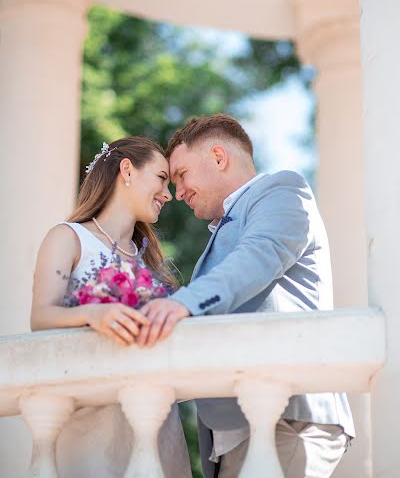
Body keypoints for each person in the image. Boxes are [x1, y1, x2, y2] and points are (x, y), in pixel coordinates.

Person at [137, 114, 355, 478]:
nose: (178, 192)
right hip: (241, 430)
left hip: (286, 419)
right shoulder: (227, 226)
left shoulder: (282, 189)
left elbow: (259, 255)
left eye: (181, 175)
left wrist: (181, 304)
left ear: (219, 157)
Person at [31, 136, 191, 478]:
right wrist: (92, 314)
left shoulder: (151, 259)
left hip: (157, 423)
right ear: (127, 170)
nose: (168, 194)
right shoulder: (68, 238)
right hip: (92, 422)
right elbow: (41, 318)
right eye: (162, 179)